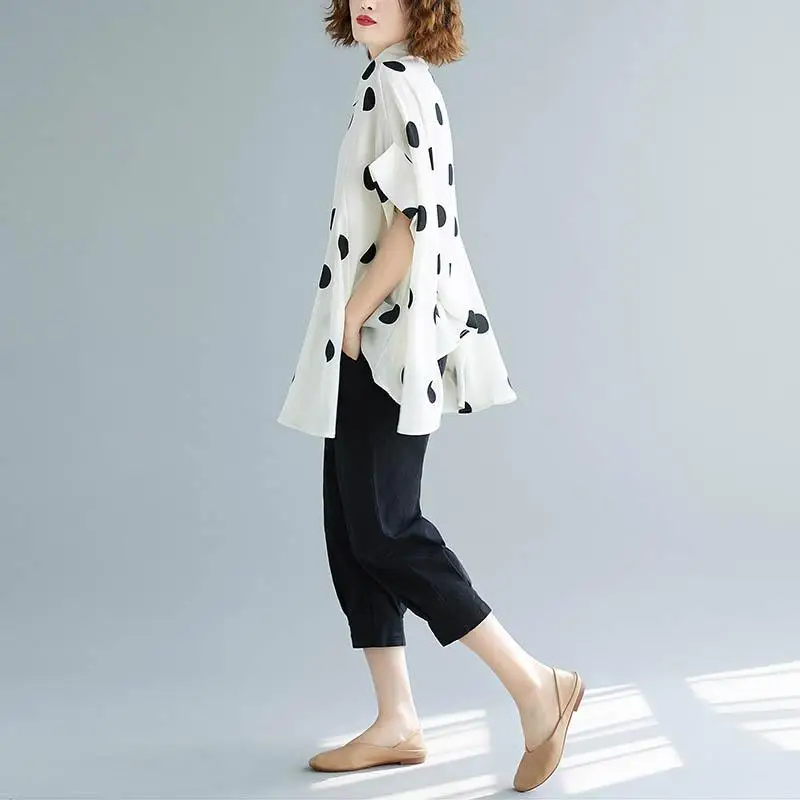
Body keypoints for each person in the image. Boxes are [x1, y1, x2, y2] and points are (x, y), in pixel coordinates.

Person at [277, 0, 584, 792]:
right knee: (354, 529)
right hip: (379, 335)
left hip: (382, 339)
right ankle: (396, 721)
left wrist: (353, 314)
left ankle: (534, 685)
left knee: (384, 529)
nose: (366, 1)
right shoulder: (392, 77)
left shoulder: (397, 83)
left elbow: (414, 220)